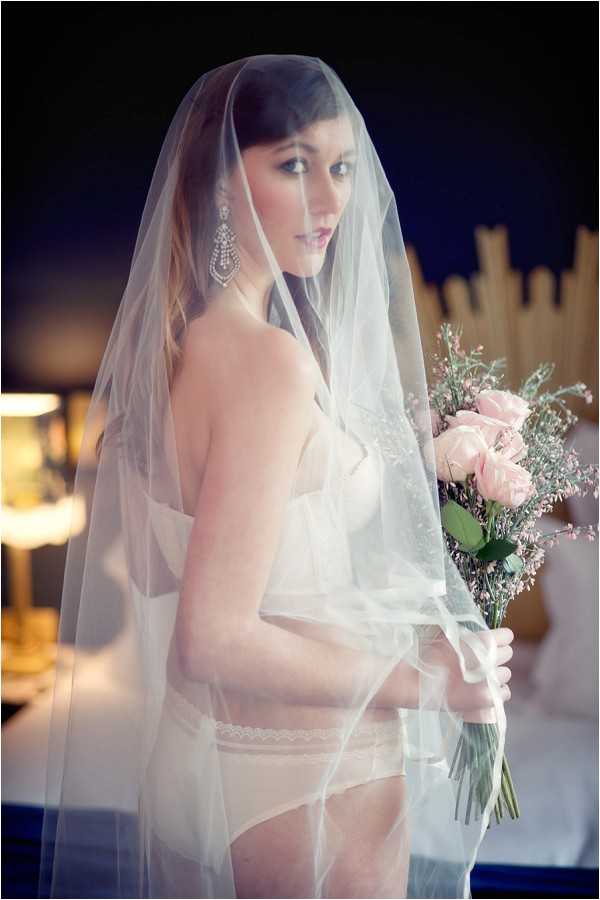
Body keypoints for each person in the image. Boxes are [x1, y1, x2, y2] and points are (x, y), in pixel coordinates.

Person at [38, 54, 513, 899]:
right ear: (222, 182)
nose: (330, 203)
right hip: (306, 774)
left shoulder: (179, 351)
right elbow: (213, 634)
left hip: (201, 762)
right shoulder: (268, 364)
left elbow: (159, 568)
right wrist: (429, 681)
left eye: (342, 169)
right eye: (294, 166)